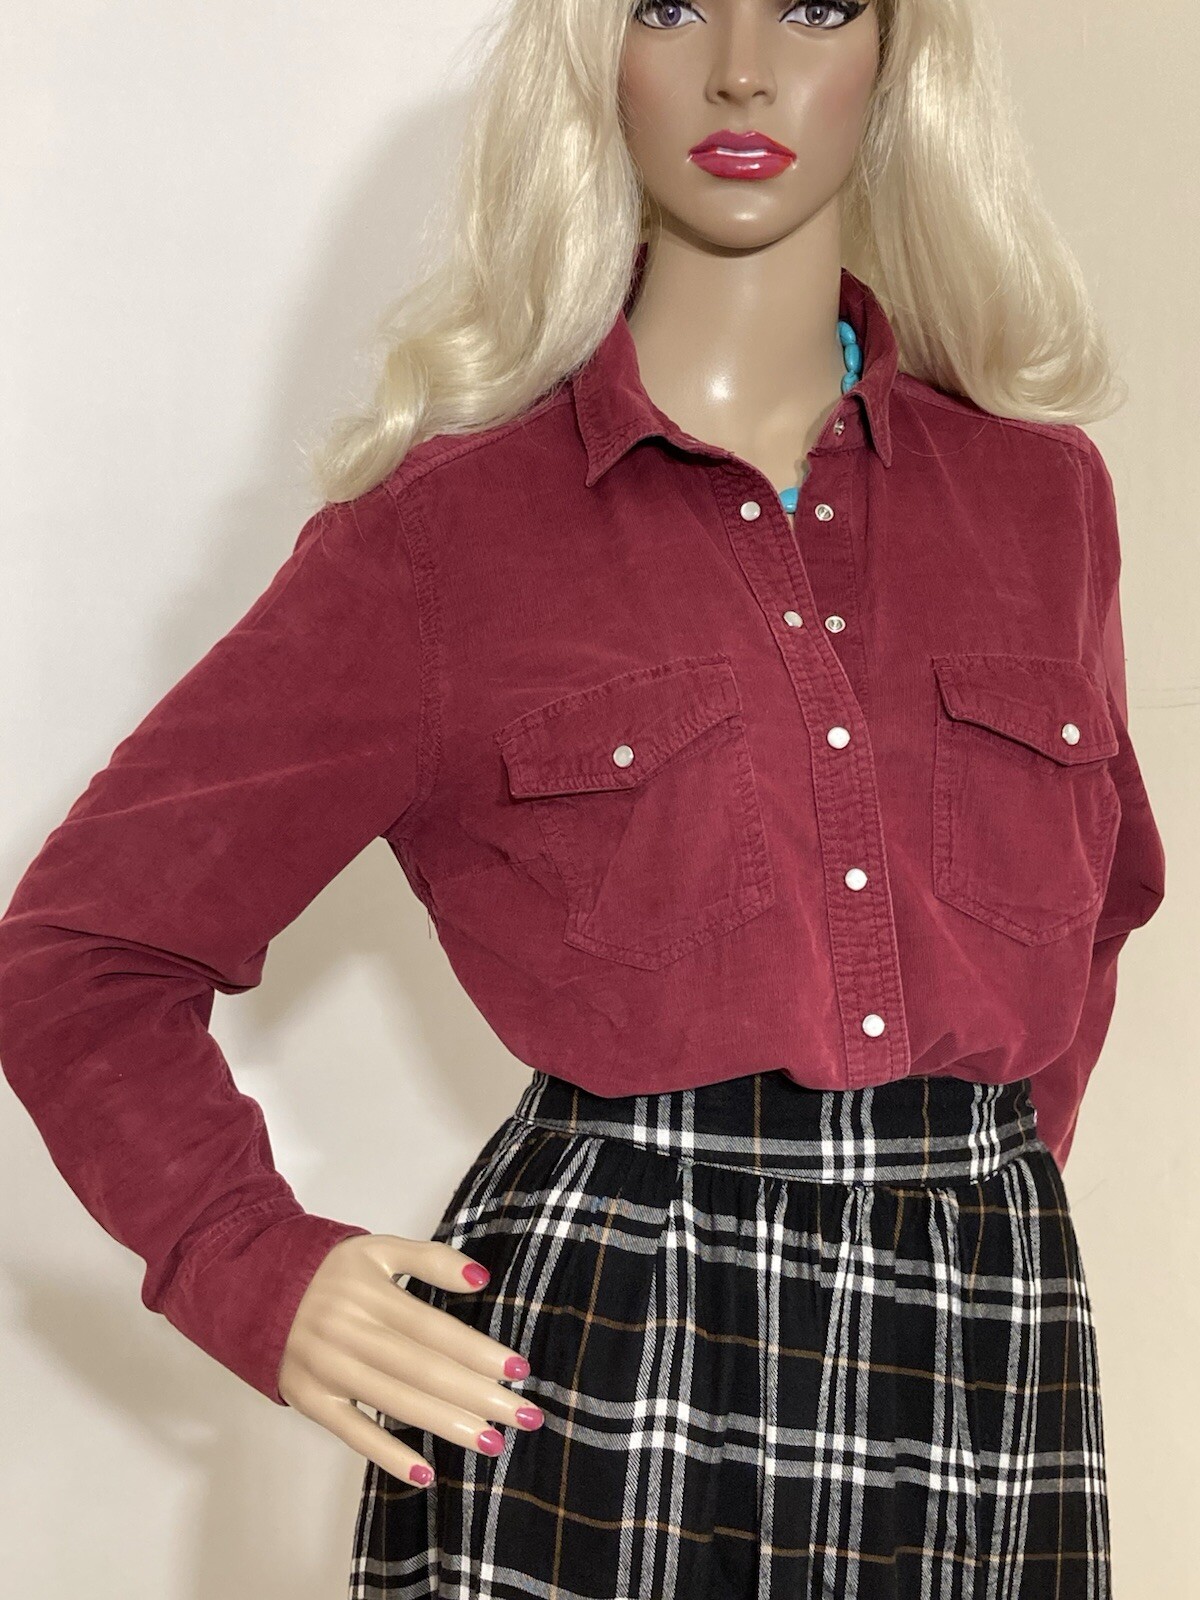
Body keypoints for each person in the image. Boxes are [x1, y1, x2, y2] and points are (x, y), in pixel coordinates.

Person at [0, 0, 1167, 1595]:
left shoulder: (1043, 502)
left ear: (901, 56)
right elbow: (80, 949)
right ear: (590, 51)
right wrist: (253, 1266)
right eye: (669, 6)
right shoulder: (446, 539)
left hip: (988, 1362)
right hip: (617, 1361)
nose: (742, 68)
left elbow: (1096, 909)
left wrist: (966, 1204)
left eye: (816, 5)